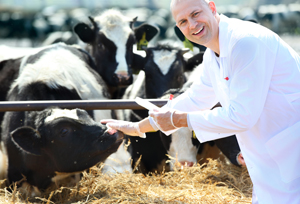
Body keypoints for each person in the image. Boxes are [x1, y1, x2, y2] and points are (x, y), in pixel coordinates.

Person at [101, 0, 300, 203]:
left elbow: (241, 117)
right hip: (269, 156)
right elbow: (195, 99)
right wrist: (136, 127)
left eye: (196, 14)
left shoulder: (244, 42)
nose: (192, 25)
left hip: (292, 151)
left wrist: (180, 120)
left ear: (212, 7)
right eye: (183, 21)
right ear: (178, 28)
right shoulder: (212, 55)